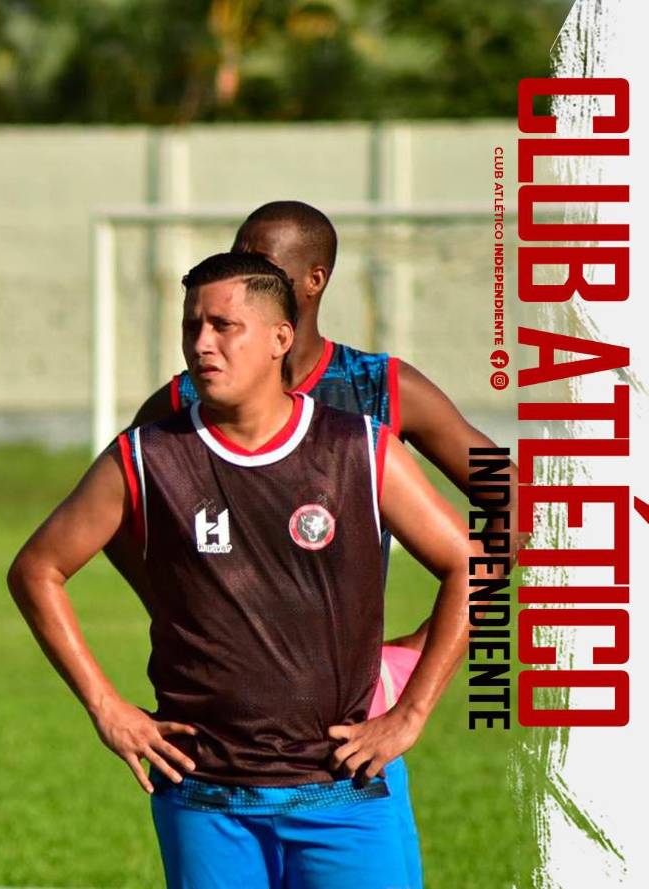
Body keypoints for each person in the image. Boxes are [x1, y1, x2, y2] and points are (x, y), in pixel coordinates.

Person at [9, 252, 476, 889]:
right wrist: (107, 707)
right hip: (205, 800)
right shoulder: (147, 455)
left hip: (342, 792)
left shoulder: (358, 449)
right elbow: (37, 569)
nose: (202, 344)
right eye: (191, 326)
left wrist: (412, 710)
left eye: (224, 325)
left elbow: (465, 566)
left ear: (280, 338)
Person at [116, 200, 524, 886]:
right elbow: (121, 521)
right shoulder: (181, 402)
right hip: (221, 750)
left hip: (341, 730)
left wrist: (424, 645)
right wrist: (181, 607)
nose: (244, 268)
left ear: (313, 281)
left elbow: (510, 498)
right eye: (237, 250)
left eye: (264, 259)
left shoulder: (381, 388)